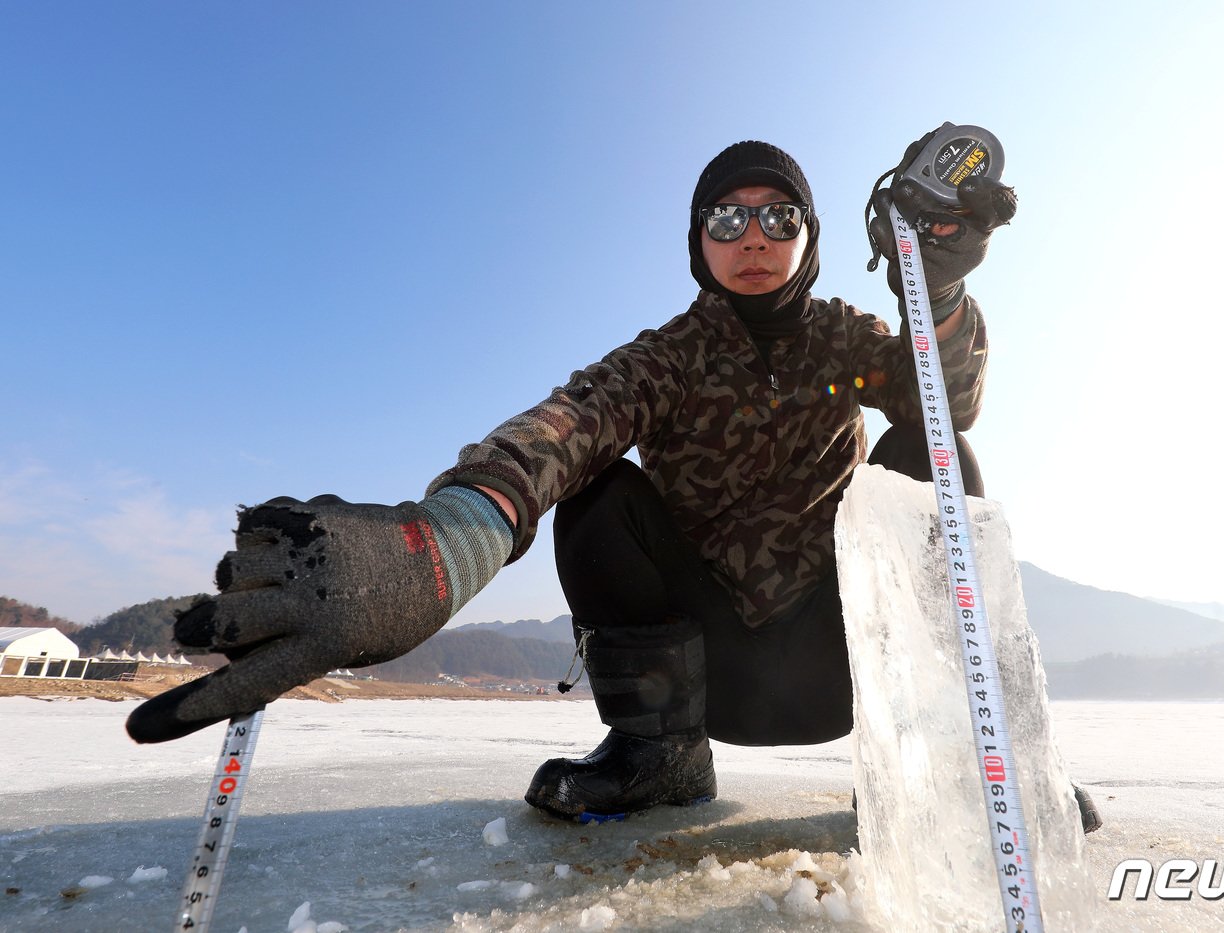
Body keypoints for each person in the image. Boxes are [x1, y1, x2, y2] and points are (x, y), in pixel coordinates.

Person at [126, 132, 1099, 832]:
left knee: (935, 461)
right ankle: (659, 761)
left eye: (776, 215)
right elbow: (564, 428)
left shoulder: (845, 343)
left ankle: (967, 767)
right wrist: (451, 537)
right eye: (727, 216)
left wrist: (937, 288)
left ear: (806, 235)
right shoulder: (662, 361)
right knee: (595, 490)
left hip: (846, 664)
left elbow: (948, 401)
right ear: (698, 241)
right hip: (708, 676)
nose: (752, 234)